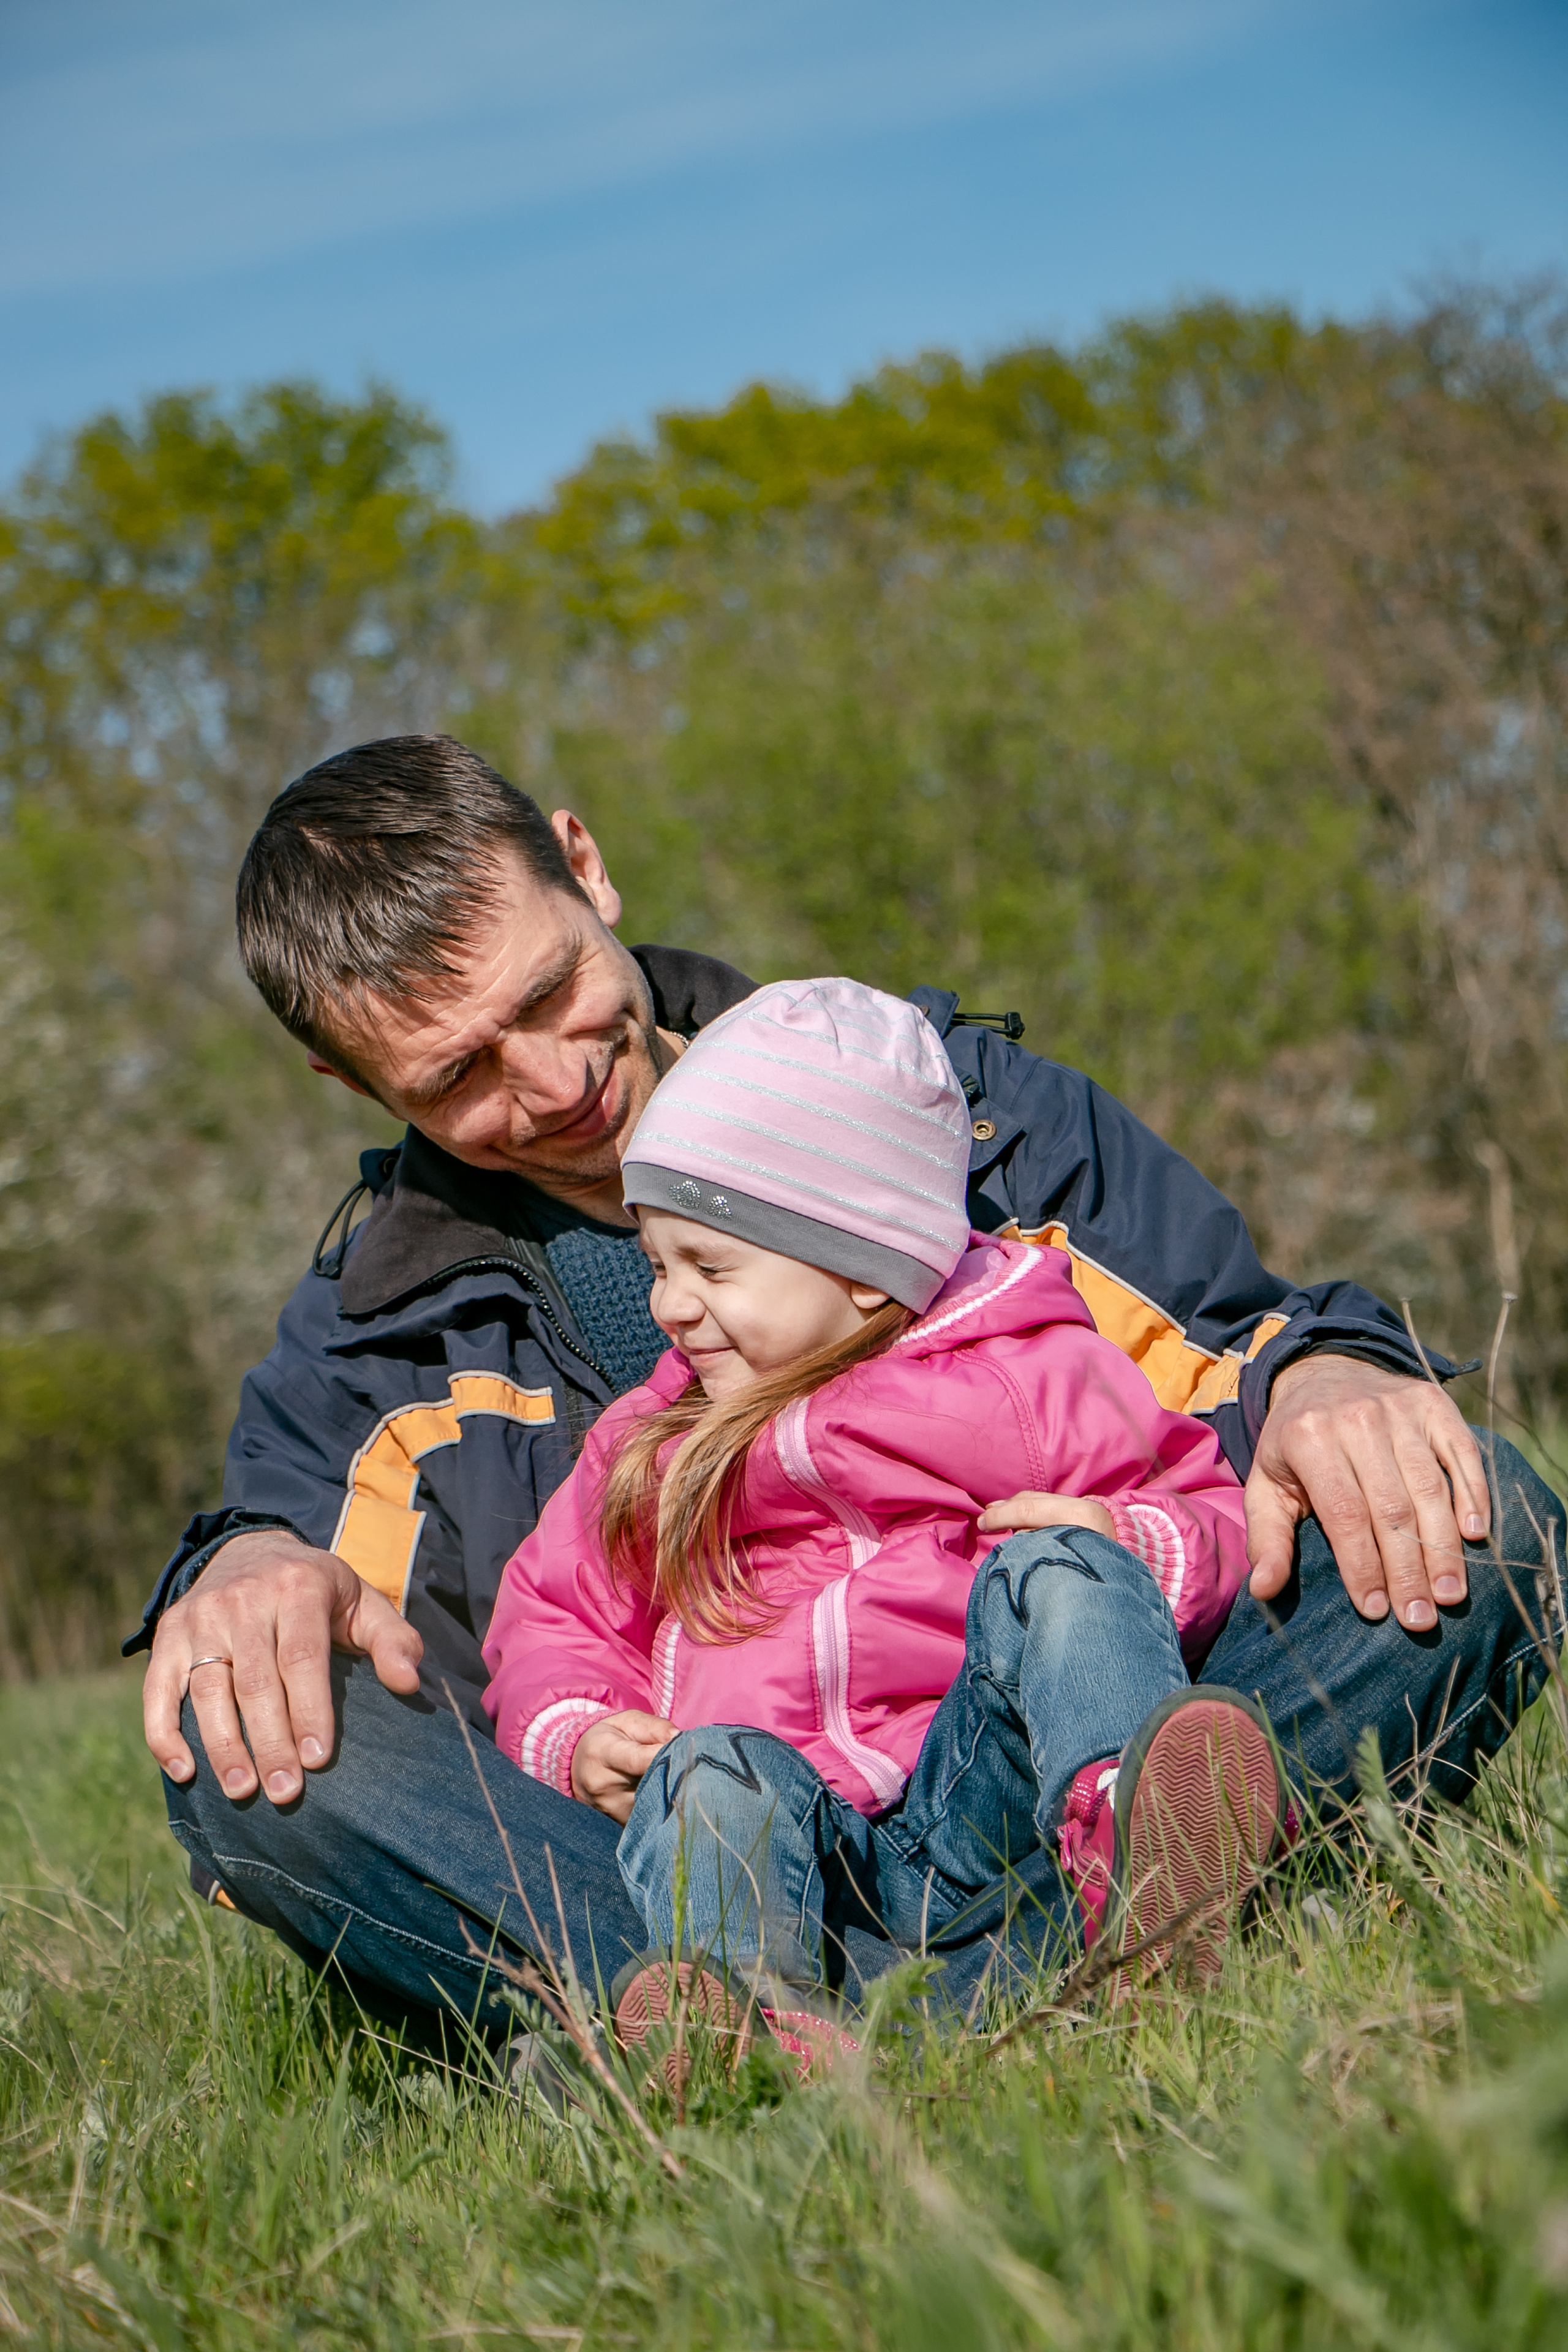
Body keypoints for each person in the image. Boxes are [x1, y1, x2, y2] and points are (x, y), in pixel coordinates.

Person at [129, 734, 1559, 2031]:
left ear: (584, 863)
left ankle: (794, 2022)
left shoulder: (947, 1101)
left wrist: (1319, 1372)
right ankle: (987, 1978)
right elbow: (400, 1611)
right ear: (351, 1083)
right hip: (692, 1835)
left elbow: (1218, 1361)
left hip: (1059, 1733)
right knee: (237, 1740)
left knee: (1481, 1515)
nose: (554, 1080)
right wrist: (254, 1561)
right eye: (458, 1077)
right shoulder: (373, 1328)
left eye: (553, 994)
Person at [484, 979, 1291, 2066]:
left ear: (865, 1271)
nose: (670, 1305)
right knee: (708, 1767)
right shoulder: (654, 1438)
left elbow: (1206, 1504)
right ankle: (742, 2018)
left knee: (1063, 1566)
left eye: (711, 1267)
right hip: (793, 1847)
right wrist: (574, 1732)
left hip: (989, 1801)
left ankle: (1142, 1861)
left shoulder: (1022, 1376)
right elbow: (552, 1615)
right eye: (659, 1263)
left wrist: (1129, 1541)